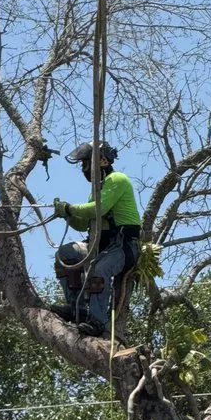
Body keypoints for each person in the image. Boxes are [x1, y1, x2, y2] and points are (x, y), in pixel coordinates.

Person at [52, 141, 141, 337]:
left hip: (124, 246)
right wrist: (66, 214)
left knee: (100, 269)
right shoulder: (98, 189)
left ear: (102, 160)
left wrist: (70, 208)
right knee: (66, 254)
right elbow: (84, 224)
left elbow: (98, 208)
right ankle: (78, 309)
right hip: (102, 246)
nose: (84, 168)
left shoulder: (118, 179)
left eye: (85, 162)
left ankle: (98, 321)